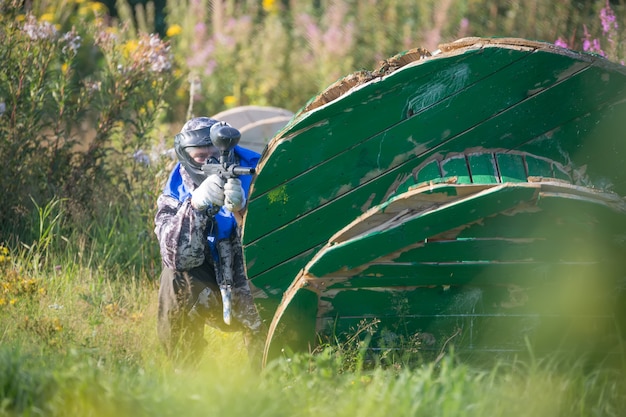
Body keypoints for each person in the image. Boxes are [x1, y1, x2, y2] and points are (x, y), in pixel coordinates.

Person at [154, 116, 264, 368]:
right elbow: (174, 257)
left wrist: (245, 213)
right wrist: (195, 206)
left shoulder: (257, 171)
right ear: (186, 155)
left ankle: (269, 379)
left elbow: (286, 233)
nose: (210, 161)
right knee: (174, 278)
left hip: (257, 292)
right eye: (201, 157)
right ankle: (186, 374)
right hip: (210, 293)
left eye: (215, 154)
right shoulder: (176, 188)